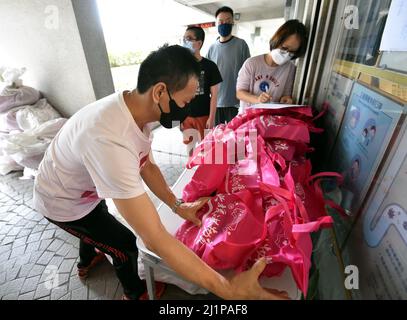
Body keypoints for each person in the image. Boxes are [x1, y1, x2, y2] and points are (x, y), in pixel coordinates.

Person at [33, 44, 288, 300]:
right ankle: (134, 293)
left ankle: (87, 260)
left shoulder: (132, 109)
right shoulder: (110, 141)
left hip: (82, 189)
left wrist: (178, 206)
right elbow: (153, 237)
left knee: (96, 223)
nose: (187, 110)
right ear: (160, 92)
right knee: (124, 245)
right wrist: (228, 289)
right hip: (61, 201)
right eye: (185, 101)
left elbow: (147, 165)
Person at [236, 20, 308, 112]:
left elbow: (286, 95)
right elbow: (240, 93)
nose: (286, 54)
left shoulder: (290, 69)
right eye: (284, 48)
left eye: (292, 52)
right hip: (248, 117)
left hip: (271, 118)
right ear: (277, 41)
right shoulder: (252, 64)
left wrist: (286, 100)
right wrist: (258, 99)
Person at [181, 26, 222, 154]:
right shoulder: (181, 67)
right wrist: (178, 118)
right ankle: (191, 170)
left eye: (188, 39)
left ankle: (205, 171)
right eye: (184, 39)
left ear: (199, 43)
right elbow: (177, 94)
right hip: (186, 116)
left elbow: (214, 95)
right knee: (190, 149)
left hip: (204, 116)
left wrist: (212, 117)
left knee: (207, 150)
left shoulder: (210, 66)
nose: (184, 42)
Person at [207, 6, 251, 125]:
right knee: (217, 137)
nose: (224, 23)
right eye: (221, 21)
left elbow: (249, 73)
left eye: (228, 20)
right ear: (216, 23)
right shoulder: (212, 48)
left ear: (232, 22)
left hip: (236, 102)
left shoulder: (241, 45)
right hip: (216, 102)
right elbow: (207, 75)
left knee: (236, 136)